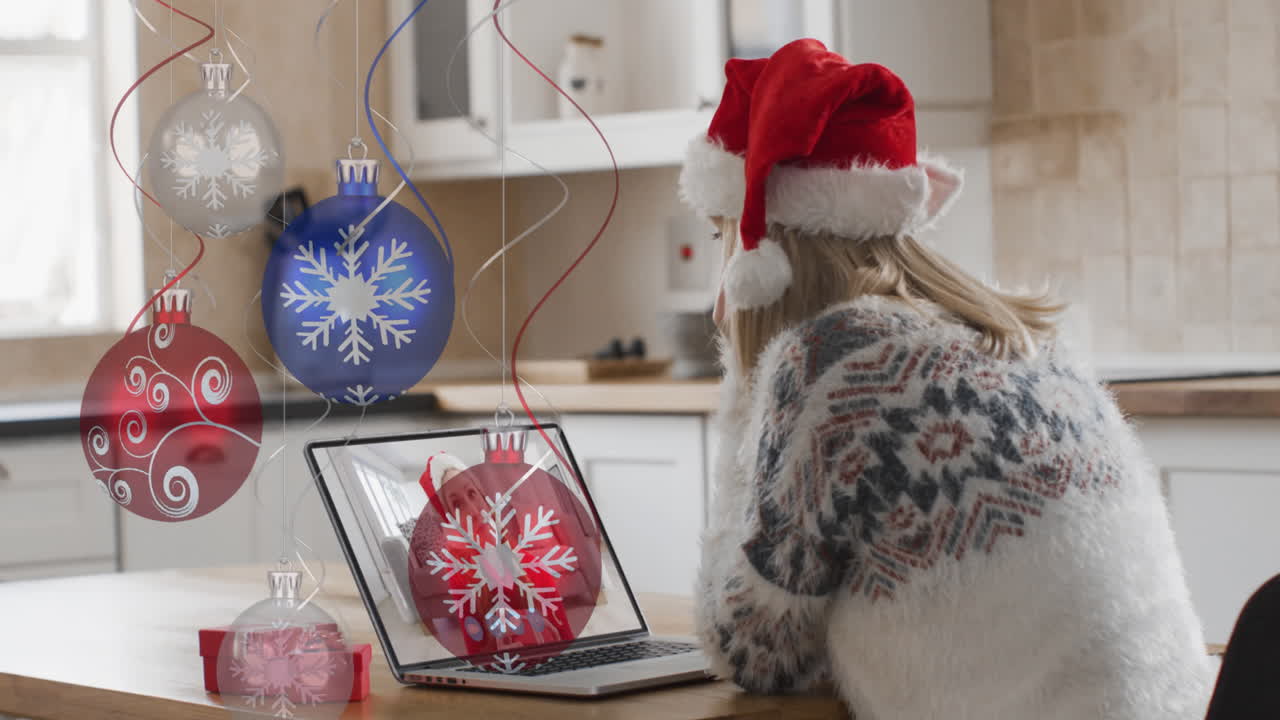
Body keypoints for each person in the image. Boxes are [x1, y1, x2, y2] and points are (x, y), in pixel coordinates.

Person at [680, 39, 1216, 719]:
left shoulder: (829, 368)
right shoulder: (1022, 336)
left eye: (725, 239)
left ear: (758, 261)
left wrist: (741, 398)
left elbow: (755, 654)